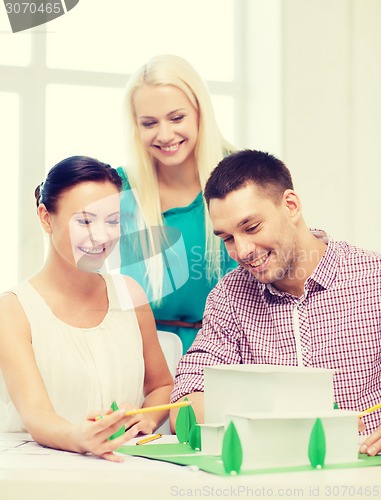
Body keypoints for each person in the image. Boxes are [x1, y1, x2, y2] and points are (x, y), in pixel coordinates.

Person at [169, 149, 381, 456]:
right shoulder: (229, 296)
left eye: (252, 228)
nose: (241, 251)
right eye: (227, 237)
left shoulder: (373, 279)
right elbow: (184, 404)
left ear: (291, 206)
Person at [0, 156, 173, 462]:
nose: (102, 236)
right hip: (37, 472)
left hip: (125, 471)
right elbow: (37, 416)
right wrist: (83, 438)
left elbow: (161, 385)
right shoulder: (13, 310)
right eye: (84, 220)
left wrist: (145, 419)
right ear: (45, 217)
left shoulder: (130, 295)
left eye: (112, 221)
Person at [117, 54, 237, 354]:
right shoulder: (118, 188)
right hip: (143, 355)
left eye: (176, 118)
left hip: (231, 353)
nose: (165, 135)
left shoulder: (245, 174)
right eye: (149, 123)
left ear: (200, 112)